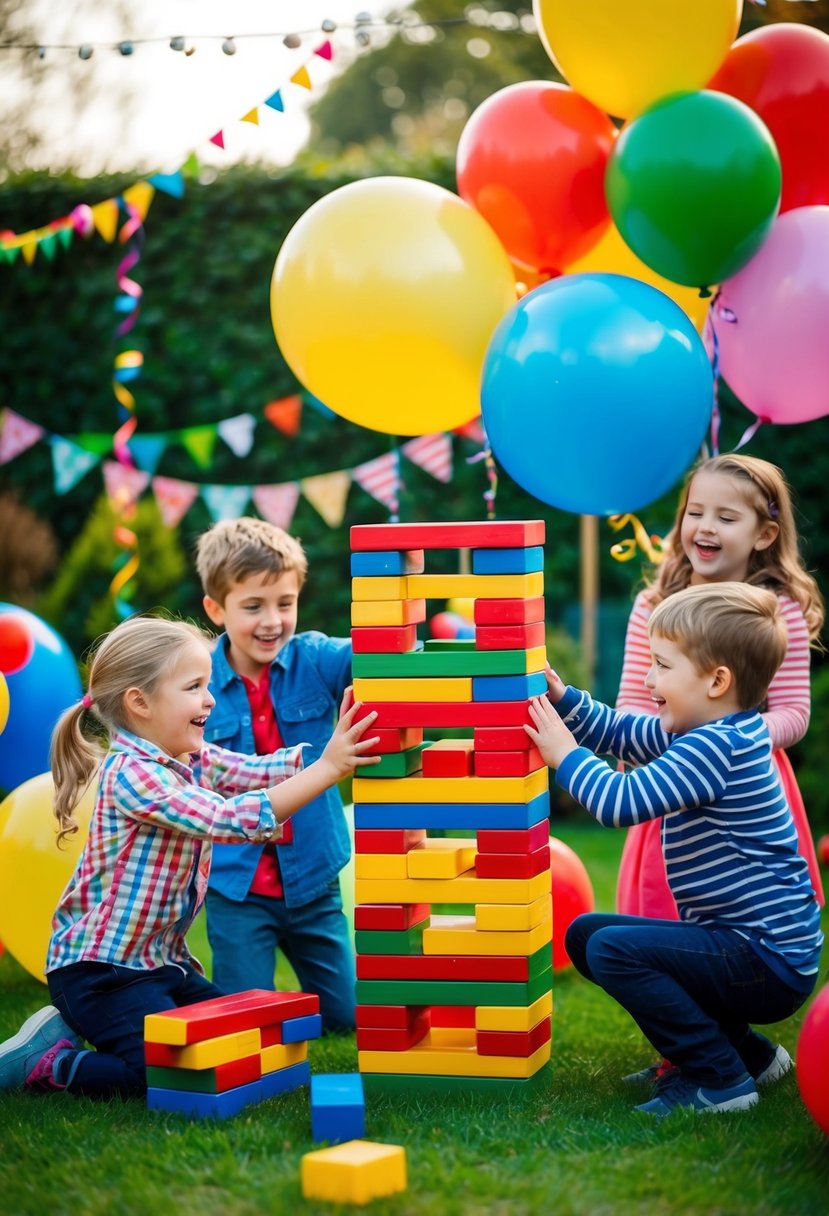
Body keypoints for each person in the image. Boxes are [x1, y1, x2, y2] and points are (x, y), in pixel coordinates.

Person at [0, 615, 378, 1099]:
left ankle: (92, 1027)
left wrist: (334, 748)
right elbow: (229, 818)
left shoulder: (188, 755)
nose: (210, 698)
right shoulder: (134, 776)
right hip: (101, 974)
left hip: (160, 965)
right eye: (194, 687)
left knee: (236, 1044)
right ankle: (55, 1064)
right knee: (167, 1076)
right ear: (140, 702)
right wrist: (329, 769)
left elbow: (256, 771)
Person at [526, 583, 823, 1118]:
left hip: (764, 957)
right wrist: (565, 700)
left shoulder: (716, 747)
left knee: (615, 950)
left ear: (716, 681)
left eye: (663, 666)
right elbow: (623, 732)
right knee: (587, 934)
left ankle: (719, 1079)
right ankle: (751, 1056)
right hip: (757, 949)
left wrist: (565, 756)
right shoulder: (710, 730)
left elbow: (619, 801)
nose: (647, 678)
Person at [616, 454, 825, 928]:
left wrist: (729, 742)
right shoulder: (655, 605)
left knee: (747, 917)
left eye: (726, 518)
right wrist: (664, 746)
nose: (705, 527)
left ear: (764, 534)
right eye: (696, 512)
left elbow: (793, 713)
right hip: (670, 781)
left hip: (747, 788)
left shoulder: (778, 611)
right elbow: (630, 702)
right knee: (665, 920)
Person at [195, 518, 356, 1032]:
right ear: (216, 609)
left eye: (284, 603)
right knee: (241, 1027)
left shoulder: (315, 658)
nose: (272, 621)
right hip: (238, 889)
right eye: (253, 606)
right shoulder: (196, 681)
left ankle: (300, 1003)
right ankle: (264, 999)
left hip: (312, 879)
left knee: (348, 1017)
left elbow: (379, 655)